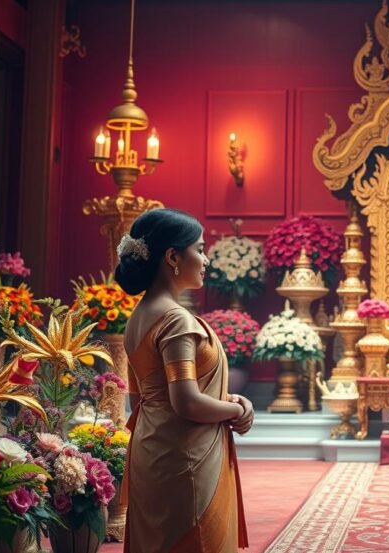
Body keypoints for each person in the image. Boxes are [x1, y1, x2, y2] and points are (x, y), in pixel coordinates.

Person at [115, 208, 251, 552]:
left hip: (151, 452)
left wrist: (227, 401)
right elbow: (186, 402)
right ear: (173, 257)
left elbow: (143, 399)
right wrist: (236, 411)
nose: (206, 260)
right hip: (184, 459)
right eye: (200, 250)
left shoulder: (138, 317)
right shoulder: (175, 320)